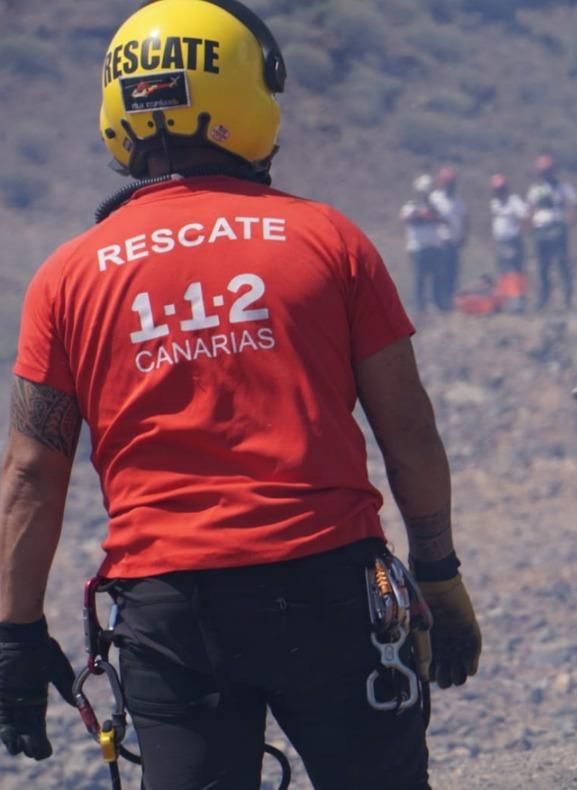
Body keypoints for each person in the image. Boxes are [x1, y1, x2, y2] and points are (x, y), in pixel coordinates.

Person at [0, 2, 482, 789]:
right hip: (328, 584)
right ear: (242, 97)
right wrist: (439, 572)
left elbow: (30, 472)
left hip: (170, 610)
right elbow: (410, 433)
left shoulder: (68, 276)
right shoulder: (328, 239)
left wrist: (15, 634)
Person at [527, 154, 577, 310]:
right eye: (543, 171)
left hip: (557, 228)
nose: (545, 174)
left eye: (548, 171)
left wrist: (572, 219)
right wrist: (530, 225)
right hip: (540, 230)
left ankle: (567, 298)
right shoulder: (535, 189)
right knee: (543, 266)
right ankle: (543, 299)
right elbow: (529, 208)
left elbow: (576, 203)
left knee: (562, 263)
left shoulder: (563, 188)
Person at [403, 173, 449, 313]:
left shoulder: (435, 206)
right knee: (419, 279)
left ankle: (437, 304)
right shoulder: (412, 205)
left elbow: (442, 220)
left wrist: (431, 214)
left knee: (436, 278)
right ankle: (418, 306)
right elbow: (406, 218)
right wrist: (421, 214)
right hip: (418, 248)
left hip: (434, 247)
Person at [430, 166, 469, 312]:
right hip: (440, 243)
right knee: (440, 274)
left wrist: (463, 236)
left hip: (454, 243)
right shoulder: (435, 198)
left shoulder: (458, 201)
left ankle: (450, 302)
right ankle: (439, 303)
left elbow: (465, 218)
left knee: (453, 273)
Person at [489, 173, 530, 313]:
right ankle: (505, 300)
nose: (499, 192)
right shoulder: (494, 203)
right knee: (504, 272)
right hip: (500, 241)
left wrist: (519, 232)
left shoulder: (514, 201)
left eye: (501, 189)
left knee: (514, 271)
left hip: (512, 241)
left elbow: (525, 215)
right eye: (496, 189)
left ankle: (518, 301)